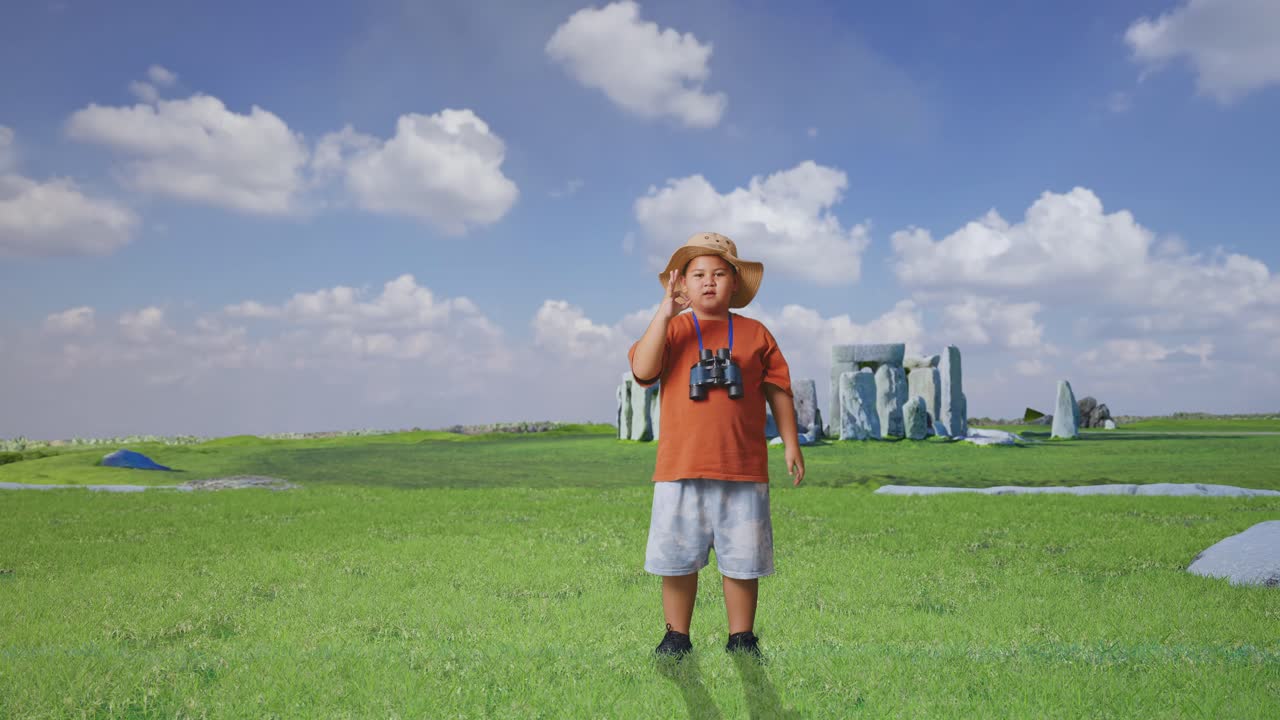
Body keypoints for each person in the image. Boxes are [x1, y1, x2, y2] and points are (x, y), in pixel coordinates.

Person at [627, 231, 806, 661]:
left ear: (735, 284)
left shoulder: (755, 333)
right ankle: (676, 635)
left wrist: (791, 442)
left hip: (742, 468)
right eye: (699, 275)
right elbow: (643, 369)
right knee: (677, 560)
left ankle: (741, 637)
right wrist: (665, 312)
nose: (709, 282)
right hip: (680, 467)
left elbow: (778, 388)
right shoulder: (670, 330)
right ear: (682, 284)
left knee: (744, 561)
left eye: (720, 274)